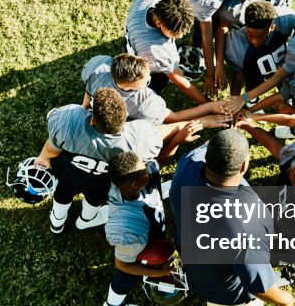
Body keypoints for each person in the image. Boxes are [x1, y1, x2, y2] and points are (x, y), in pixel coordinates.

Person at [169, 130, 294, 306]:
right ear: (244, 166)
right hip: (224, 288)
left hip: (192, 253)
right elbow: (258, 285)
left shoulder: (187, 165)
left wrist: (224, 141)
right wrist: (284, 299)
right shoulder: (244, 223)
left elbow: (206, 147)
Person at [36, 88, 198, 234]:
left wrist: (43, 157)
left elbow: (51, 148)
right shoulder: (137, 139)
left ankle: (56, 223)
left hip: (67, 175)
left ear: (92, 120)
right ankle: (84, 221)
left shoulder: (69, 122)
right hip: (99, 183)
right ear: (125, 118)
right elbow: (163, 138)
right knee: (94, 201)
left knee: (62, 196)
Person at [98, 151, 173, 306]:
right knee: (127, 275)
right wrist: (157, 272)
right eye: (144, 171)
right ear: (134, 184)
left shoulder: (134, 180)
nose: (148, 168)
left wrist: (179, 138)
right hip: (137, 241)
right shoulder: (127, 230)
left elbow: (159, 161)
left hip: (147, 232)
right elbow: (123, 264)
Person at [80, 53, 238, 127]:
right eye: (146, 80)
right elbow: (174, 118)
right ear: (128, 86)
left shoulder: (98, 68)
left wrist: (84, 108)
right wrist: (210, 107)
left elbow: (88, 92)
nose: (149, 78)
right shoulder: (145, 103)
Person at [125, 0, 206, 103]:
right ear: (159, 23)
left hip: (131, 37)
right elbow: (182, 83)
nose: (182, 35)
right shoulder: (159, 52)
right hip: (143, 65)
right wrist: (207, 103)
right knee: (158, 81)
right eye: (176, 32)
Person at [186, 0, 243, 96]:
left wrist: (220, 65)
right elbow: (207, 35)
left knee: (224, 17)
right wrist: (211, 73)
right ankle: (193, 41)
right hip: (203, 0)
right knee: (200, 33)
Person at [219, 0, 295, 98]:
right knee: (252, 84)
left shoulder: (287, 20)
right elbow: (238, 75)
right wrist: (234, 100)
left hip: (281, 66)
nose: (254, 41)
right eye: (250, 35)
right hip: (257, 70)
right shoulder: (237, 46)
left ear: (272, 27)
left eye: (259, 37)